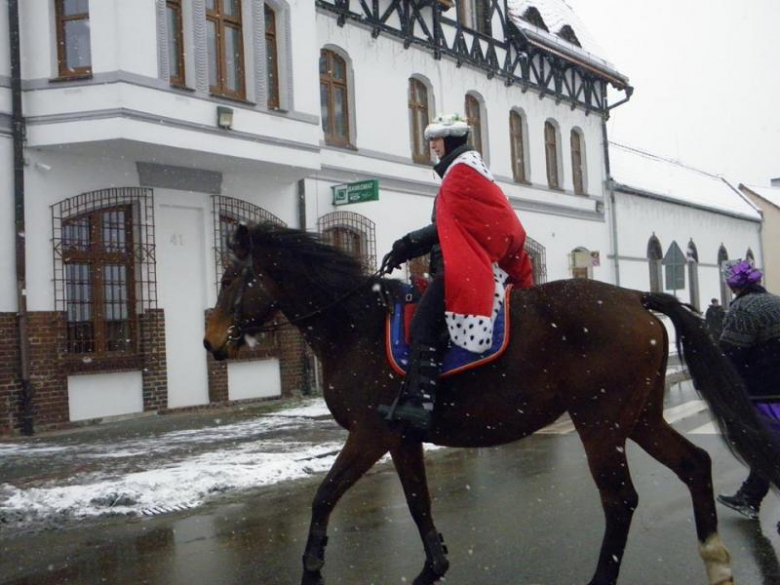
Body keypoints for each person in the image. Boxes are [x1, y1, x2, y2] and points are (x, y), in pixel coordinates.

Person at [377, 113, 534, 431]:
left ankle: (420, 404)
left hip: (461, 270)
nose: (432, 146)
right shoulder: (462, 174)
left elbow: (446, 230)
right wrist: (406, 247)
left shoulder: (461, 175)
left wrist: (408, 244)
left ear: (449, 140)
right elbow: (448, 228)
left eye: (435, 139)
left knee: (422, 323)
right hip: (453, 267)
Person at [715, 260, 780, 521]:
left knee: (770, 447)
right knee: (768, 447)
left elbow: (730, 354)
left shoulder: (743, 310)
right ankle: (750, 496)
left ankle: (750, 497)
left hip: (764, 391)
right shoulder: (776, 302)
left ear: (732, 284)